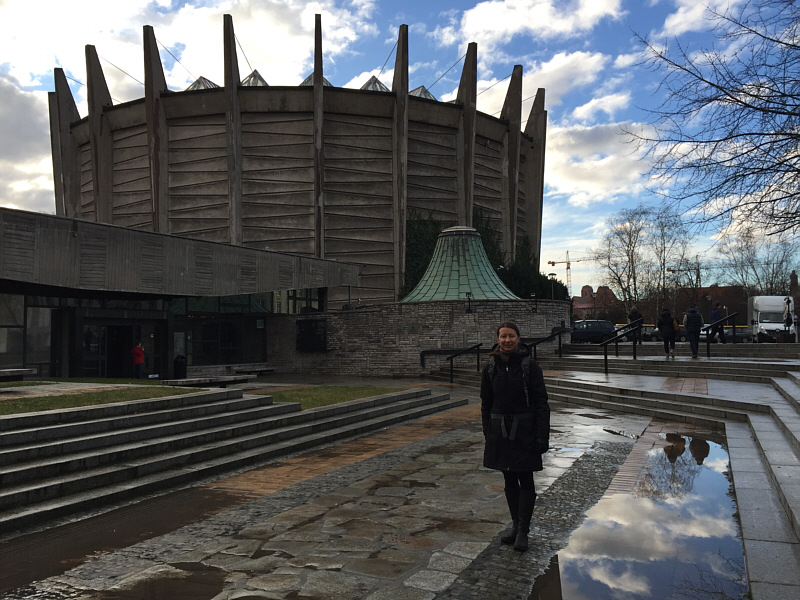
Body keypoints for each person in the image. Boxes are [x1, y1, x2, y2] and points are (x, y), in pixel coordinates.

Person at [481, 321, 550, 552]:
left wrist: (542, 436)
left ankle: (524, 530)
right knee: (509, 479)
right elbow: (486, 403)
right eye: (503, 336)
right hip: (500, 432)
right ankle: (515, 523)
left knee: (525, 479)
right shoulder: (491, 367)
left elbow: (542, 403)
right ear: (498, 339)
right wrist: (487, 430)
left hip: (525, 431)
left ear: (518, 338)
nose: (507, 340)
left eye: (511, 336)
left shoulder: (530, 367)